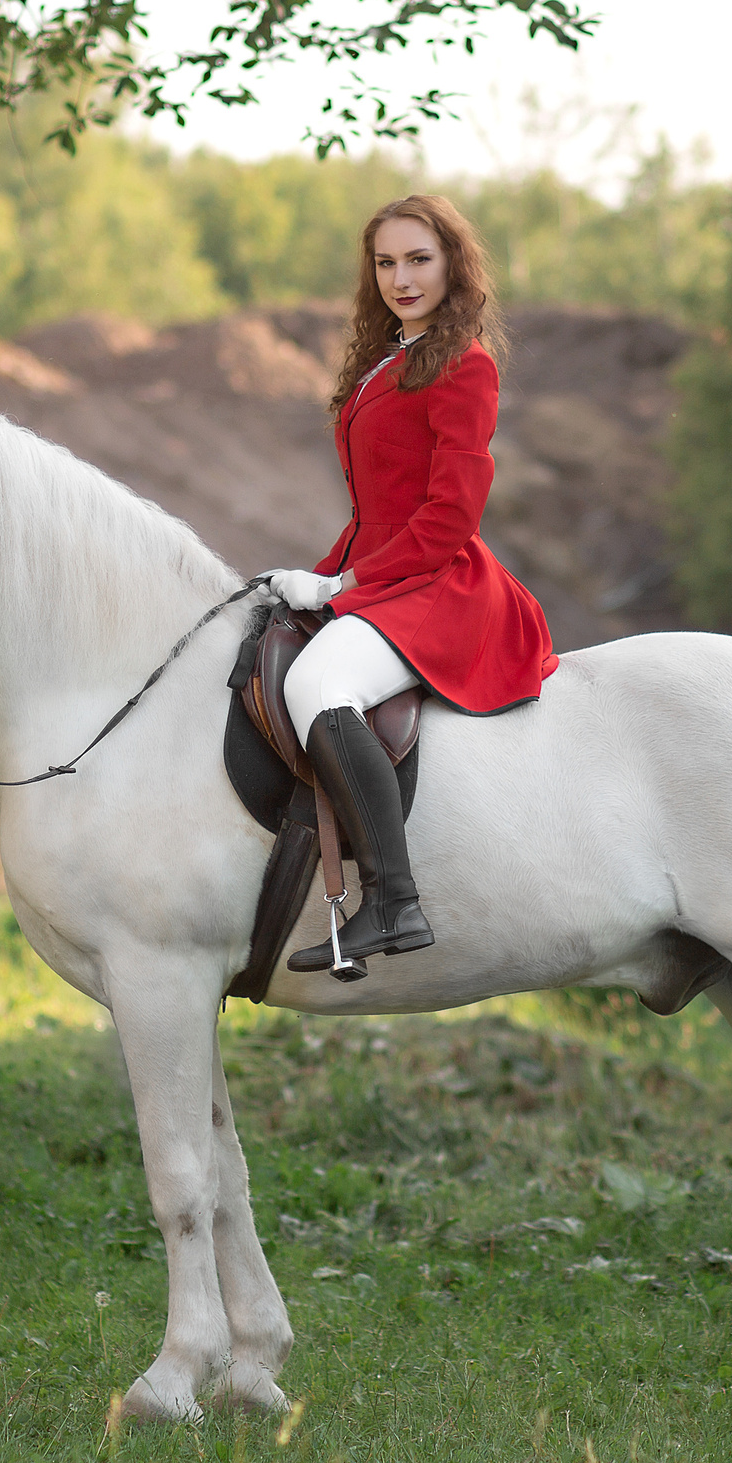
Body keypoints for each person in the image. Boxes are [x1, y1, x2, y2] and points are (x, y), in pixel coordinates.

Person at [264, 194, 559, 976]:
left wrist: (344, 585)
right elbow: (375, 511)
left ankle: (394, 901)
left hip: (442, 582)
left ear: (453, 264)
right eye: (386, 262)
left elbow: (447, 517)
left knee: (319, 682)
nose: (401, 277)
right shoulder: (384, 363)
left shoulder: (467, 364)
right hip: (390, 571)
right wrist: (320, 575)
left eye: (419, 259)